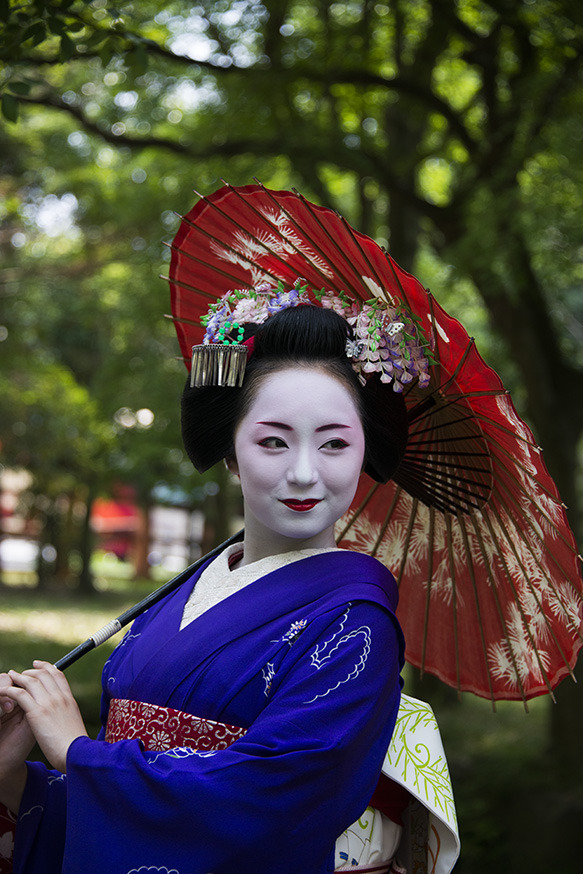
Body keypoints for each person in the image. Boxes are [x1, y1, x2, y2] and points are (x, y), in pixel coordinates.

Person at [0, 288, 448, 873]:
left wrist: (77, 755)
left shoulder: (356, 626)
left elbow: (266, 800)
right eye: (272, 441)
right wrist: (14, 776)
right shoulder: (180, 595)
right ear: (232, 454)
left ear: (365, 454)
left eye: (335, 443)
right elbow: (112, 805)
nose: (305, 472)